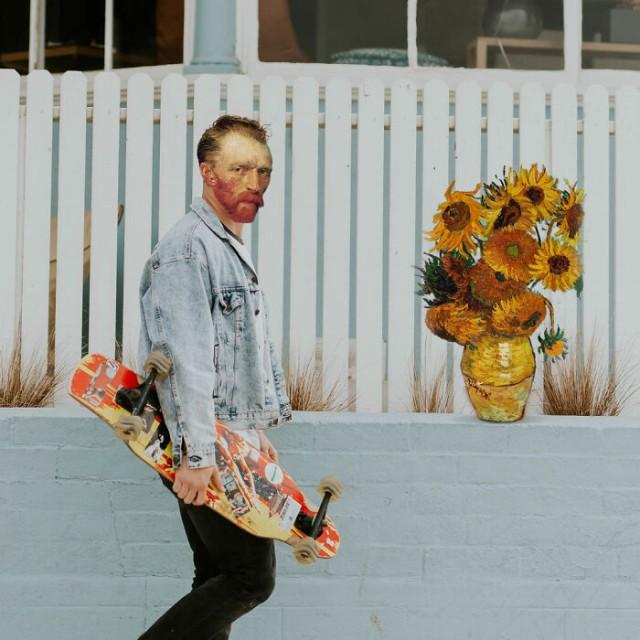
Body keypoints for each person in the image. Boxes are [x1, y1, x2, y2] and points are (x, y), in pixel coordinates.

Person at [134, 115, 293, 639]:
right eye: (239, 169)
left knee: (216, 576)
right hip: (204, 444)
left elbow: (233, 355)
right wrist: (197, 457)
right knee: (250, 579)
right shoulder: (188, 250)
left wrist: (253, 430)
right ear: (207, 172)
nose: (254, 182)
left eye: (263, 171)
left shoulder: (225, 246)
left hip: (225, 437)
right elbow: (185, 360)